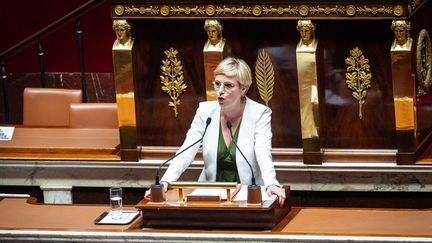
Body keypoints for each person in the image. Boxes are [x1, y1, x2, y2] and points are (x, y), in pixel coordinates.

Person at [147, 57, 285, 206]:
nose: (220, 91)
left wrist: (271, 182)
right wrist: (165, 181)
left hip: (248, 196)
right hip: (210, 194)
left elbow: (263, 152)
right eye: (217, 84)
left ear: (243, 89)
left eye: (228, 86)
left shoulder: (259, 113)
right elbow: (186, 151)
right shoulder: (205, 111)